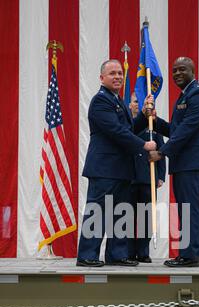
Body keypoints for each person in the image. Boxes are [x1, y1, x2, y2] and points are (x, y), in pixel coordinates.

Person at [77, 59, 156, 267]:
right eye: (112, 73)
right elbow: (115, 131)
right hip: (104, 168)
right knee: (97, 210)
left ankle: (117, 255)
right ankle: (87, 255)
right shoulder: (101, 101)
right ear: (102, 78)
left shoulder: (117, 100)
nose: (118, 77)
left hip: (121, 169)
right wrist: (143, 145)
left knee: (121, 212)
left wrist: (144, 115)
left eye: (120, 73)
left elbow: (127, 129)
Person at [149, 57, 199, 267]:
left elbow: (187, 131)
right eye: (174, 70)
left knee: (188, 209)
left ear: (193, 71)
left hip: (192, 163)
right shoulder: (186, 96)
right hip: (185, 163)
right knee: (187, 208)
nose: (177, 73)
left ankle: (190, 256)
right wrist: (155, 120)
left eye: (182, 70)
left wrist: (162, 152)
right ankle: (195, 254)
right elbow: (177, 130)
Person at [128, 92, 166, 262]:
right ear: (130, 104)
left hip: (147, 177)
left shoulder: (152, 124)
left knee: (146, 217)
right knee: (127, 217)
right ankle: (128, 252)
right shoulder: (126, 124)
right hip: (128, 177)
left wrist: (160, 176)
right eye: (135, 101)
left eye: (141, 101)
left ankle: (143, 252)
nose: (138, 104)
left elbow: (161, 151)